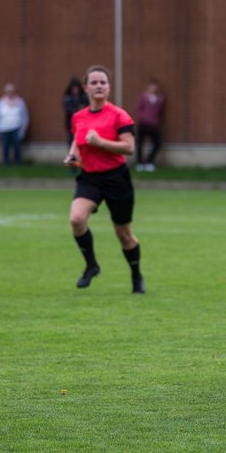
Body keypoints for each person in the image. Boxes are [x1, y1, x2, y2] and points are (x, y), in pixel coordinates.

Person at [64, 65, 146, 293]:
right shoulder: (78, 117)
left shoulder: (119, 115)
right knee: (76, 220)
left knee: (124, 235)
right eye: (94, 82)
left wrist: (100, 143)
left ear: (109, 87)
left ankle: (136, 275)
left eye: (103, 82)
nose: (99, 86)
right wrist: (73, 157)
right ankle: (91, 265)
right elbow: (77, 143)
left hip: (116, 179)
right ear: (86, 87)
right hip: (89, 178)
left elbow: (129, 148)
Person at [0, 83, 29, 166]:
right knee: (5, 146)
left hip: (16, 127)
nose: (10, 93)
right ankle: (5, 162)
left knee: (17, 146)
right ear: (5, 92)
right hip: (4, 128)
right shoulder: (1, 102)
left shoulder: (20, 101)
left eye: (11, 91)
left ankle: (17, 162)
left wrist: (23, 129)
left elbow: (24, 116)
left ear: (14, 92)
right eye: (8, 91)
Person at [135, 78, 165, 171]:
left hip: (154, 125)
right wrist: (142, 118)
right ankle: (140, 163)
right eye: (152, 87)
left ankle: (148, 162)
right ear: (148, 87)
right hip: (143, 124)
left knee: (157, 143)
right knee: (140, 144)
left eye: (155, 87)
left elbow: (160, 111)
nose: (153, 89)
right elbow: (138, 109)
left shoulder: (159, 99)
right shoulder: (143, 97)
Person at [62, 76, 89, 145]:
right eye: (73, 89)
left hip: (82, 123)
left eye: (76, 88)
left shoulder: (83, 97)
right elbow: (68, 110)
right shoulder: (68, 98)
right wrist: (78, 109)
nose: (75, 91)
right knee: (71, 141)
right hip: (71, 124)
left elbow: (87, 108)